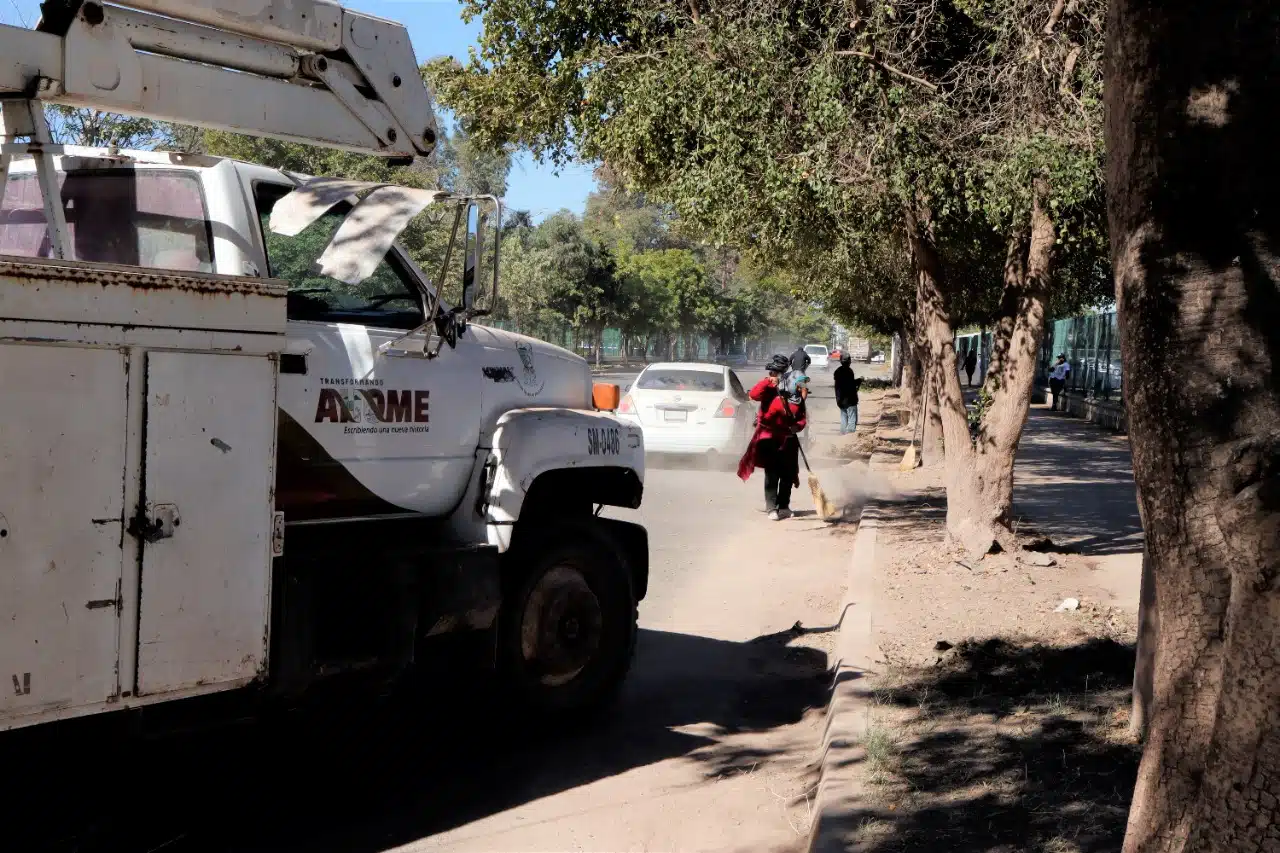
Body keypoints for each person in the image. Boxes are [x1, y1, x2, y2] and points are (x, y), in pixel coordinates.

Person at [738, 354, 808, 520]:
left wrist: (797, 427)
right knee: (772, 473)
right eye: (773, 372)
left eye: (778, 372)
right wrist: (767, 381)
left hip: (789, 439)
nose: (775, 374)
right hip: (770, 438)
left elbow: (803, 417)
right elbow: (754, 395)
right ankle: (771, 507)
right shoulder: (768, 388)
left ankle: (784, 506)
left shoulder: (795, 394)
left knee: (787, 474)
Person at [833, 353, 863, 435]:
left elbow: (841, 384)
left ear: (840, 361)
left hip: (840, 400)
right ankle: (849, 436)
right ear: (849, 362)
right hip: (850, 400)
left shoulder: (837, 371)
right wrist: (858, 381)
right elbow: (850, 385)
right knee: (852, 419)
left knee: (843, 417)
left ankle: (843, 434)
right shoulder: (849, 371)